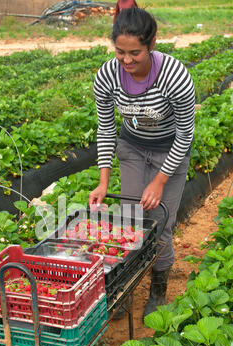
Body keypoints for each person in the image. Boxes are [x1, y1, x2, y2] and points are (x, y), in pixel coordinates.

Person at [89, 7, 195, 320]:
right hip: (133, 147)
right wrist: (103, 181)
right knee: (131, 220)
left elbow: (185, 133)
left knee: (160, 222)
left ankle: (158, 288)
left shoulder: (174, 76)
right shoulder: (108, 76)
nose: (127, 60)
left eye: (135, 52)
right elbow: (106, 127)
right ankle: (124, 286)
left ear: (151, 44)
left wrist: (160, 180)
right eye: (120, 52)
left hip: (170, 150)